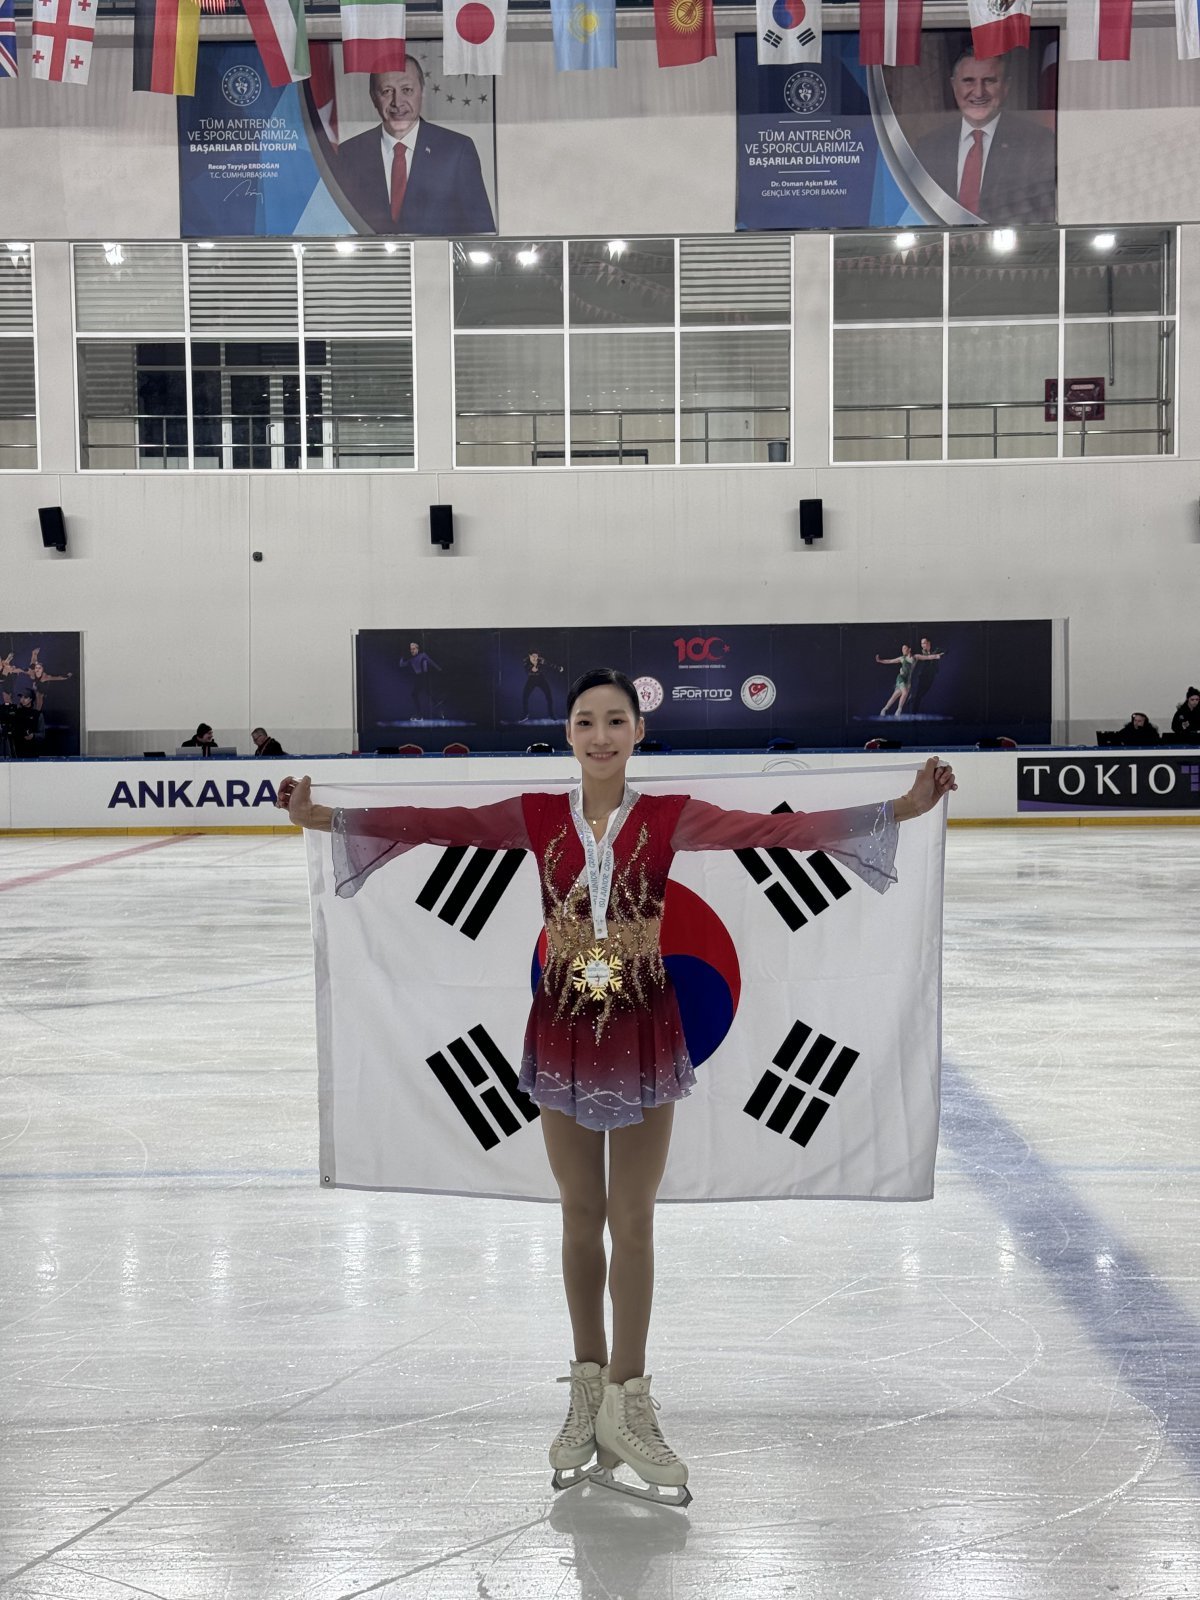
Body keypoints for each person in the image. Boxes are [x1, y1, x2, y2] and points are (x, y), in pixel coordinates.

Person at [276, 667, 957, 1508]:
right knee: (579, 1214)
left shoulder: (668, 817)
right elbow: (434, 823)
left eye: (616, 721)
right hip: (562, 1024)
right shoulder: (532, 815)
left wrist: (900, 808)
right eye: (586, 721)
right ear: (568, 734)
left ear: (639, 734)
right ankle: (586, 1392)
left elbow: (771, 834)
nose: (601, 735)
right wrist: (325, 817)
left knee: (632, 1218)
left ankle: (631, 1402)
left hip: (642, 1025)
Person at [333, 59, 496, 237]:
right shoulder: (348, 154)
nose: (397, 102)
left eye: (407, 90)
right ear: (373, 97)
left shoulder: (457, 150)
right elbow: (334, 226)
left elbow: (481, 233)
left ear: (422, 92)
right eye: (387, 91)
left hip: (436, 263)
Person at [914, 49, 1055, 226]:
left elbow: (1043, 213)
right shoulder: (929, 147)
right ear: (954, 85)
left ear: (1006, 87)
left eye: (989, 81)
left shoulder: (1037, 142)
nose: (979, 92)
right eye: (968, 81)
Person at [876, 643, 943, 717]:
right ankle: (899, 710)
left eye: (904, 648)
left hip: (908, 680)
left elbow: (927, 657)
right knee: (904, 693)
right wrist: (880, 660)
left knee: (895, 695)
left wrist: (936, 656)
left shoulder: (915, 657)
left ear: (909, 649)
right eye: (902, 649)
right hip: (901, 678)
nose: (903, 650)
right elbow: (890, 661)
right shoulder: (902, 658)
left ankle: (884, 709)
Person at [397, 640, 442, 721]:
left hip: (424, 676)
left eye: (413, 649)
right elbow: (401, 665)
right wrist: (402, 656)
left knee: (417, 694)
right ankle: (434, 704)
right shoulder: (411, 659)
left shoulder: (422, 655)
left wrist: (439, 669)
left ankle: (423, 712)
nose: (412, 651)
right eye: (411, 649)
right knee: (419, 693)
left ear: (417, 649)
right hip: (419, 677)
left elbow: (431, 662)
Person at [521, 651, 564, 720]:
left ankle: (551, 714)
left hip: (540, 679)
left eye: (536, 656)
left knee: (549, 696)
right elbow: (530, 670)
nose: (535, 658)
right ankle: (525, 714)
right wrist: (533, 666)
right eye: (533, 656)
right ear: (530, 656)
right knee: (525, 696)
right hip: (531, 680)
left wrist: (558, 668)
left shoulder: (541, 660)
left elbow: (550, 664)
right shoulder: (526, 661)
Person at [8, 689, 41, 757]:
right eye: (21, 697)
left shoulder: (37, 714)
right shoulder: (15, 712)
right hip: (17, 751)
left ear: (31, 699)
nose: (22, 699)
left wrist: (33, 735)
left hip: (33, 752)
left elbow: (42, 734)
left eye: (25, 697)